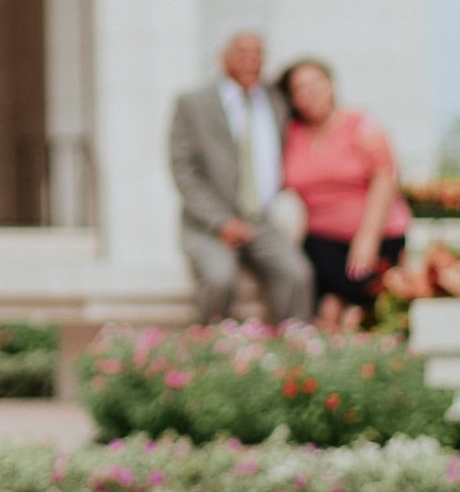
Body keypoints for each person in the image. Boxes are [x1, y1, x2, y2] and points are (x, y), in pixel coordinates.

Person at [167, 29, 314, 326]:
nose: (250, 61)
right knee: (221, 279)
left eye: (258, 54)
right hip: (208, 225)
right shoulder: (194, 103)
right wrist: (221, 222)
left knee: (297, 275)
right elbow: (184, 171)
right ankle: (209, 350)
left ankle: (293, 354)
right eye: (242, 53)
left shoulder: (275, 101)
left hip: (260, 220)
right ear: (223, 57)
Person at [280, 57, 410, 329]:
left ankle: (339, 313)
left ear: (331, 85)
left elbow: (385, 176)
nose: (311, 92)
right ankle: (338, 311)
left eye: (317, 83)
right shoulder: (290, 134)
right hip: (321, 238)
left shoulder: (361, 125)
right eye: (301, 88)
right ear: (292, 98)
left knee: (352, 293)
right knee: (316, 281)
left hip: (377, 233)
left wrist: (367, 239)